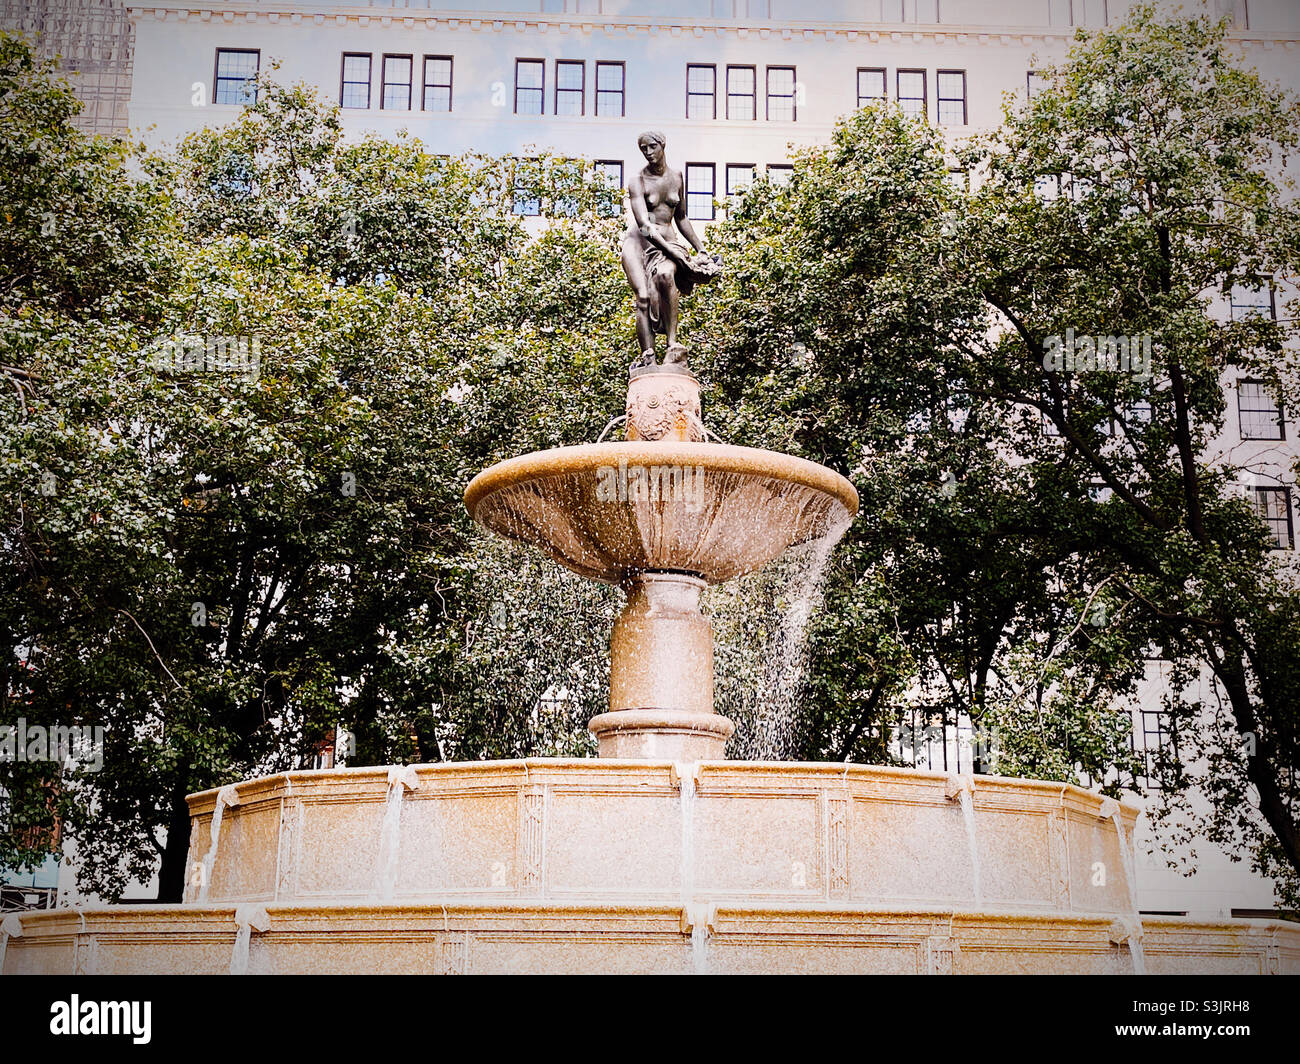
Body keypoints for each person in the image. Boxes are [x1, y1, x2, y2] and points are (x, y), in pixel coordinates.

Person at [620, 131, 721, 371]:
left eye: (652, 146)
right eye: (643, 149)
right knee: (643, 297)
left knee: (666, 276)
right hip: (639, 243)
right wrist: (673, 252)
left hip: (668, 242)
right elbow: (645, 226)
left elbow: (682, 217)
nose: (648, 152)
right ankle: (648, 356)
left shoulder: (677, 177)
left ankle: (672, 344)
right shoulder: (638, 181)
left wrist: (701, 248)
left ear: (663, 145)